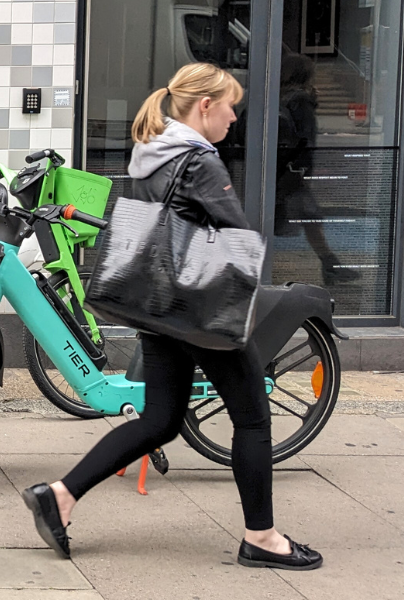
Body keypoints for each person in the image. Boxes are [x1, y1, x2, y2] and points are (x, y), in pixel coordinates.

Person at [20, 62, 324, 571]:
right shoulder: (199, 161)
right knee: (251, 417)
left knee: (161, 419)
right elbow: (234, 233)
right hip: (201, 311)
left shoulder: (150, 155)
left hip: (158, 308)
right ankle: (263, 537)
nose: (233, 117)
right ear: (205, 106)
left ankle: (61, 495)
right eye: (230, 106)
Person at [273, 51, 357, 287]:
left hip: (284, 168)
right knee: (306, 217)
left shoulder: (283, 97)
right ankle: (330, 266)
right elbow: (304, 137)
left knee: (307, 217)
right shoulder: (300, 101)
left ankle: (331, 265)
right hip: (293, 171)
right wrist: (302, 169)